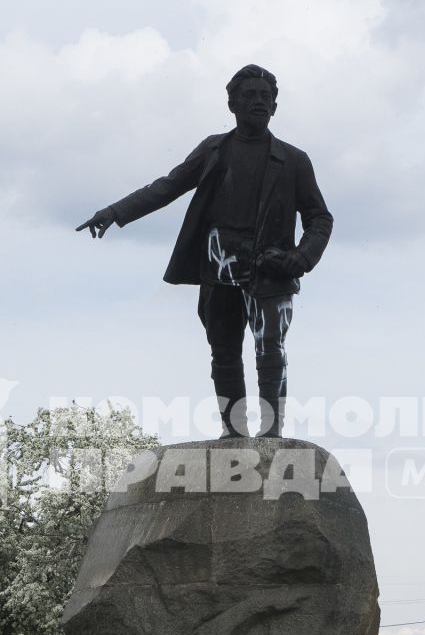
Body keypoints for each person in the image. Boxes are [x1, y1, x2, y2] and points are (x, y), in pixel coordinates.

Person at [76, 64, 332, 438]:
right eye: (249, 96)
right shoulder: (215, 149)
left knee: (270, 350)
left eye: (265, 97)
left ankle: (272, 432)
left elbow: (319, 217)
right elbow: (167, 186)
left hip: (270, 271)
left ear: (276, 106)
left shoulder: (294, 160)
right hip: (219, 267)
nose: (258, 102)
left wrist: (301, 258)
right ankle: (233, 430)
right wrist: (115, 212)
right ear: (232, 104)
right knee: (224, 352)